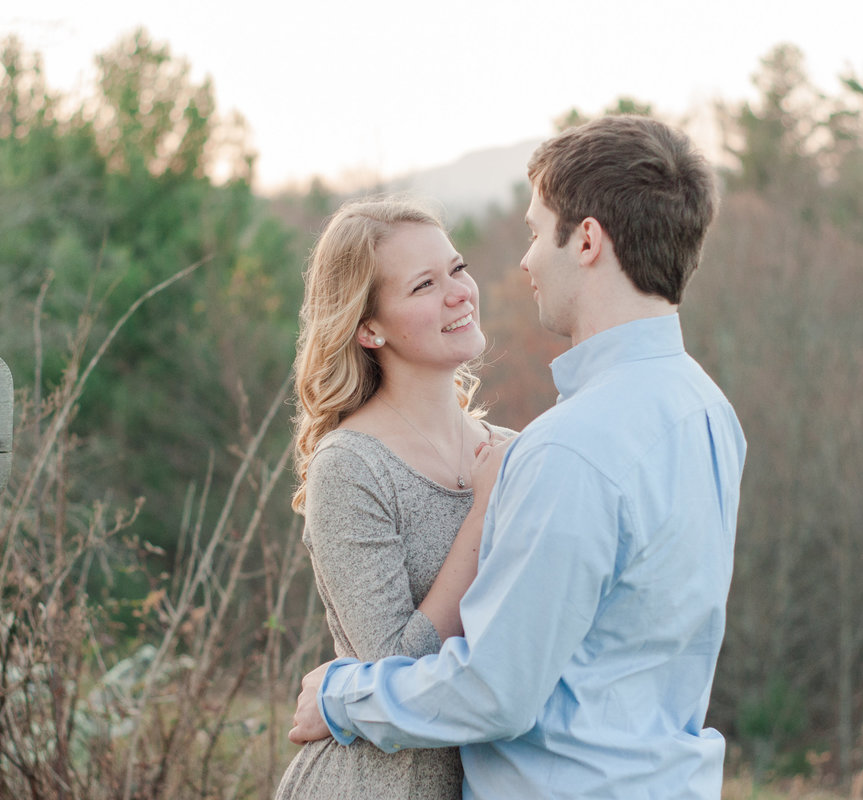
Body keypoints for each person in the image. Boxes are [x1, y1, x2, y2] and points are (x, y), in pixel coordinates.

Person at [288, 115, 747, 799]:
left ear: (586, 240)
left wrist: (339, 695)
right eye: (424, 284)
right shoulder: (710, 412)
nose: (524, 261)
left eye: (535, 232)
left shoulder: (563, 449)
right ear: (368, 327)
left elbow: (498, 689)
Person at [275, 198, 515, 799]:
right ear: (368, 327)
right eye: (424, 285)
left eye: (457, 269)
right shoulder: (351, 467)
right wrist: (483, 516)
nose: (459, 292)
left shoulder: (514, 452)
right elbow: (389, 677)